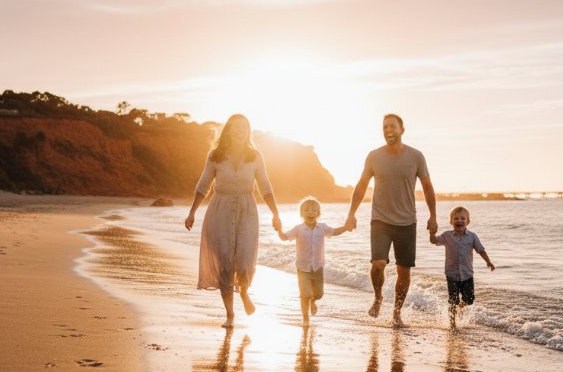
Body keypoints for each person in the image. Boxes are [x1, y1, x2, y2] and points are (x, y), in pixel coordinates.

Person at [185, 114, 282, 328]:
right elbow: (204, 185)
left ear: (248, 131)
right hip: (220, 210)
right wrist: (192, 212)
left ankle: (245, 291)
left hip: (247, 211)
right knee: (226, 266)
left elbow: (265, 187)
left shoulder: (255, 156)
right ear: (228, 130)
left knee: (245, 263)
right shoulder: (215, 156)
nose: (240, 130)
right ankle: (230, 314)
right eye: (235, 127)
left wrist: (276, 214)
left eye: (244, 127)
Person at [344, 114, 437, 327]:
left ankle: (396, 313)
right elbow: (360, 186)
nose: (388, 130)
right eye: (385, 127)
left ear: (402, 130)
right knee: (378, 264)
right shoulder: (374, 157)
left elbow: (428, 187)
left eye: (392, 127)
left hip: (406, 222)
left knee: (404, 271)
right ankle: (378, 297)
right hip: (380, 220)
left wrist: (433, 215)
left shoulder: (416, 156)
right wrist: (351, 213)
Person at [277, 196, 350, 326]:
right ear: (301, 214)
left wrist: (346, 227)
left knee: (319, 294)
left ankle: (313, 301)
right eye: (306, 210)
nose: (310, 212)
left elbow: (334, 232)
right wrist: (279, 230)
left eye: (313, 210)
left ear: (318, 213)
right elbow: (284, 237)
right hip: (302, 268)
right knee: (304, 294)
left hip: (318, 267)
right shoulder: (298, 229)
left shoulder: (322, 228)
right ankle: (305, 318)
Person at [430, 206, 496, 329]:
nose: (459, 221)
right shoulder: (447, 236)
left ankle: (460, 308)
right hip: (452, 274)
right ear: (451, 222)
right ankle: (452, 324)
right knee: (453, 300)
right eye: (455, 218)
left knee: (469, 299)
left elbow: (480, 250)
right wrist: (431, 233)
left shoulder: (472, 236)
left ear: (467, 222)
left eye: (462, 218)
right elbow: (434, 241)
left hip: (467, 274)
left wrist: (488, 261)